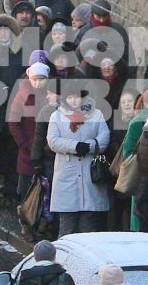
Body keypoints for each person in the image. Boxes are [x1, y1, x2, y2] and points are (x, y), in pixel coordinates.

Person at [48, 90, 113, 236]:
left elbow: (104, 137)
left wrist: (89, 146)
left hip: (90, 176)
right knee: (67, 230)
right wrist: (75, 146)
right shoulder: (56, 116)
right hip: (67, 177)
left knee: (88, 230)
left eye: (76, 97)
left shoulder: (97, 115)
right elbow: (52, 141)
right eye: (69, 97)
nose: (73, 101)